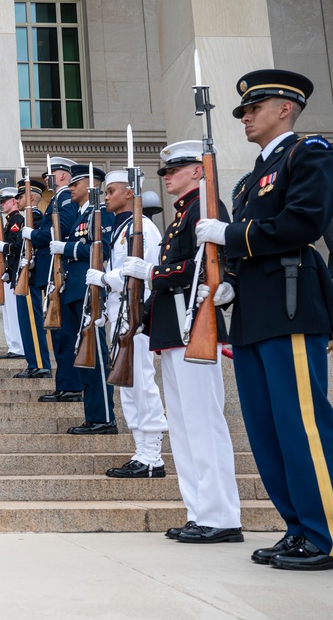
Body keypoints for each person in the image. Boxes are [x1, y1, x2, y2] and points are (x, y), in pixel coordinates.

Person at [195, 69, 333, 569]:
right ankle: (298, 528)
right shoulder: (250, 179)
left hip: (291, 307)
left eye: (255, 108)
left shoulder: (308, 154)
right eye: (244, 111)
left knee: (303, 425)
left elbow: (303, 222)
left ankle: (326, 533)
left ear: (285, 109)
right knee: (267, 429)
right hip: (254, 313)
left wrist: (232, 237)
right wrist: (228, 279)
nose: (246, 117)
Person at [122, 140, 241, 544]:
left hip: (194, 323)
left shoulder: (206, 209)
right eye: (166, 171)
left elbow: (205, 264)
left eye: (176, 169)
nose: (167, 176)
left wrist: (153, 271)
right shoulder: (183, 214)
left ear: (198, 170)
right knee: (185, 427)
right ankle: (199, 512)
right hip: (173, 328)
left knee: (203, 423)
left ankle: (221, 516)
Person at [84, 169, 167, 475]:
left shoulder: (143, 228)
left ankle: (153, 456)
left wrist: (105, 278)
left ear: (130, 193)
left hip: (139, 314)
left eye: (111, 191)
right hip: (120, 313)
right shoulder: (121, 230)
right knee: (127, 386)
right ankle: (141, 451)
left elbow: (148, 271)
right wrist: (104, 304)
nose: (106, 197)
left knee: (142, 382)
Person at [54, 165, 115, 434]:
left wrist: (67, 247)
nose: (71, 187)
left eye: (76, 183)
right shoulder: (81, 216)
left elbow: (101, 249)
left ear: (90, 184)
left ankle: (104, 417)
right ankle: (93, 416)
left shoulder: (99, 213)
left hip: (89, 291)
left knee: (97, 355)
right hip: (74, 291)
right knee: (84, 355)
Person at [25, 158, 83, 400]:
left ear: (61, 176)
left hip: (58, 270)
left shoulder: (64, 198)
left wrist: (35, 235)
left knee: (63, 333)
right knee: (59, 333)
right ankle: (66, 384)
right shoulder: (58, 199)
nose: (47, 178)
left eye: (50, 174)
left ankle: (69, 386)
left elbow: (63, 229)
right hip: (52, 271)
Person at [6, 177, 52, 379]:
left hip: (31, 277)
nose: (17, 200)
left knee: (33, 322)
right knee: (26, 323)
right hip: (22, 277)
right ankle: (33, 363)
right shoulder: (25, 220)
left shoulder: (37, 218)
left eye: (21, 196)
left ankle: (41, 364)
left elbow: (37, 243)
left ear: (32, 198)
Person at [0, 187, 23, 359]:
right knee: (7, 312)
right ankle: (13, 346)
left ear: (14, 201)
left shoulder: (17, 220)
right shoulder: (9, 221)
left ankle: (18, 348)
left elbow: (14, 247)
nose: (2, 204)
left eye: (4, 201)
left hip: (13, 273)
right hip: (7, 273)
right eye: (1, 202)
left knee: (13, 312)